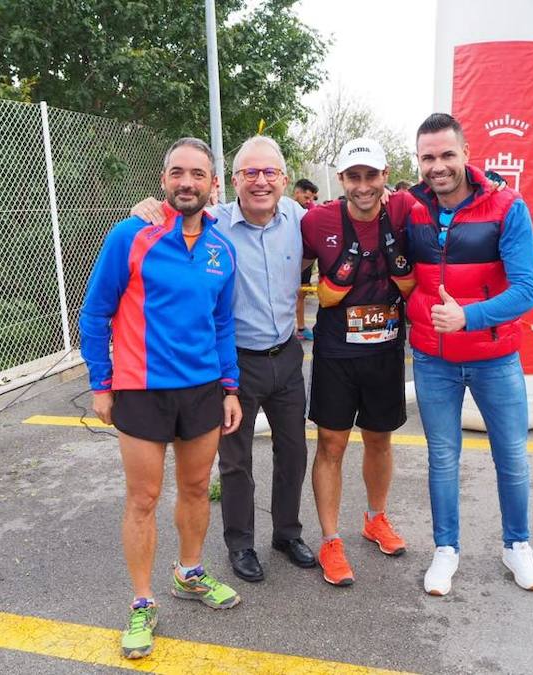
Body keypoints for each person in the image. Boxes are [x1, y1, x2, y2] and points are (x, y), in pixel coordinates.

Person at [80, 137, 242, 660]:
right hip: (141, 390)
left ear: (213, 184)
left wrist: (230, 386)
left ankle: (189, 573)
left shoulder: (222, 248)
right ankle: (142, 601)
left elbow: (222, 324)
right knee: (143, 499)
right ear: (164, 179)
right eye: (178, 173)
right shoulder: (131, 233)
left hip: (201, 392)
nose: (187, 183)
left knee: (196, 489)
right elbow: (95, 312)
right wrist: (101, 384)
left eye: (198, 174)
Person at [130, 136, 316, 585]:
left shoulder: (301, 219)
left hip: (287, 356)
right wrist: (143, 209)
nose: (260, 182)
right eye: (249, 173)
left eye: (269, 173)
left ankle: (287, 533)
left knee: (293, 451)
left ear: (284, 180)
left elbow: (350, 219)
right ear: (231, 181)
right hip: (234, 362)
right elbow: (169, 216)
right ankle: (241, 544)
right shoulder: (213, 224)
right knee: (235, 461)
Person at [405, 113, 533, 595]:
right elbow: (347, 211)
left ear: (466, 153)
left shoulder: (507, 206)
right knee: (442, 458)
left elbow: (528, 290)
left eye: (446, 154)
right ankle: (446, 549)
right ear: (418, 159)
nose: (437, 166)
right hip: (432, 358)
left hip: (494, 356)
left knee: (512, 456)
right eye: (428, 157)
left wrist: (470, 316)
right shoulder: (409, 206)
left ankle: (517, 546)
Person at [302, 137, 416, 587]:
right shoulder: (317, 219)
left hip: (386, 348)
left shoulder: (406, 209)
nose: (363, 186)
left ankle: (375, 518)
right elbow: (258, 220)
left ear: (385, 175)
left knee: (380, 441)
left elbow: (456, 190)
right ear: (342, 178)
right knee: (331, 445)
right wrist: (154, 208)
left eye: (371, 175)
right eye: (354, 176)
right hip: (336, 352)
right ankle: (330, 540)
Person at [293, 178, 319, 340]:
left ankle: (301, 328)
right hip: (291, 260)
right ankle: (297, 327)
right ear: (297, 193)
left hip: (306, 259)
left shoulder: (311, 210)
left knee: (301, 294)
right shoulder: (285, 210)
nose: (309, 201)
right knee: (294, 294)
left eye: (311, 198)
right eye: (306, 197)